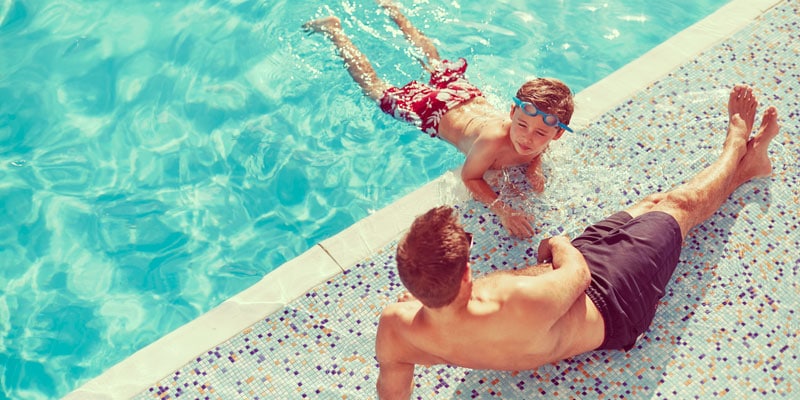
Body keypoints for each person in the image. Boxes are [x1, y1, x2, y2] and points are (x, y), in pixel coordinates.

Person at [374, 84, 780, 399]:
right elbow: (578, 271)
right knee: (678, 206)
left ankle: (750, 167)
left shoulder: (397, 329)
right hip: (612, 300)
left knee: (649, 204)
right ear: (466, 274)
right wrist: (555, 241)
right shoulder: (519, 301)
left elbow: (393, 391)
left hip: (569, 286)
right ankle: (735, 141)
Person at [304, 0, 575, 238]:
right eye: (523, 125)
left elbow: (538, 147)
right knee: (375, 89)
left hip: (466, 96)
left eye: (540, 134)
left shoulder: (537, 135)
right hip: (434, 110)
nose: (527, 138)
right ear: (512, 113)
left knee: (432, 60)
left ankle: (391, 7)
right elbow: (471, 178)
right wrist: (504, 212)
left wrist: (533, 167)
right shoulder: (492, 141)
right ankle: (335, 31)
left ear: (556, 134)